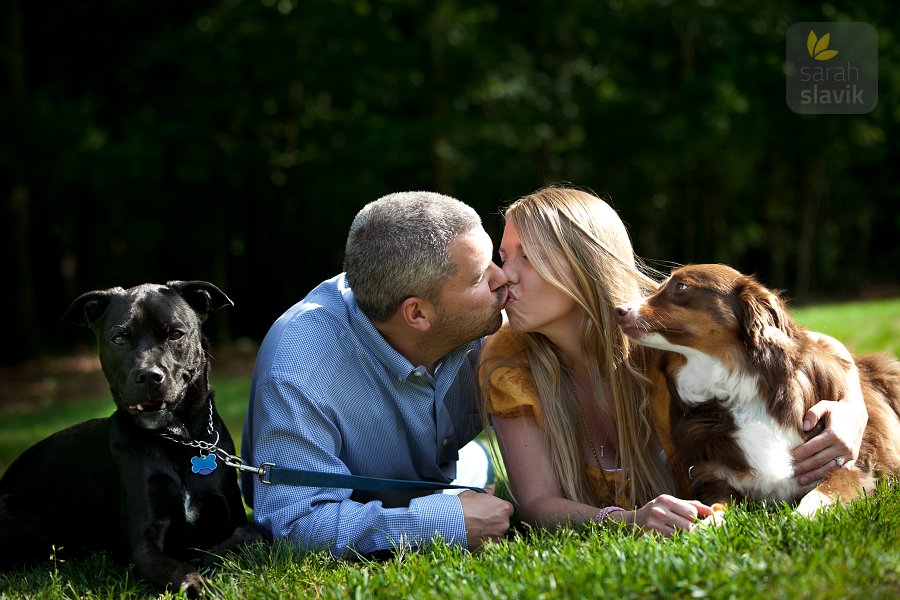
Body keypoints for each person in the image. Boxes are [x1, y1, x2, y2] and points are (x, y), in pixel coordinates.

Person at [479, 185, 868, 535]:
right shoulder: (512, 364)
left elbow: (799, 341)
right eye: (503, 255)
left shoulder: (655, 328)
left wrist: (853, 408)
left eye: (527, 257)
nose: (502, 275)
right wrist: (628, 521)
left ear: (584, 264)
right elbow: (537, 504)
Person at [242, 191, 513, 556]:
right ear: (417, 314)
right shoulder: (300, 370)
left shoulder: (492, 326)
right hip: (354, 496)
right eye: (481, 277)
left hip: (457, 472)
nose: (504, 278)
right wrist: (441, 523)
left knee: (475, 468)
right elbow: (294, 522)